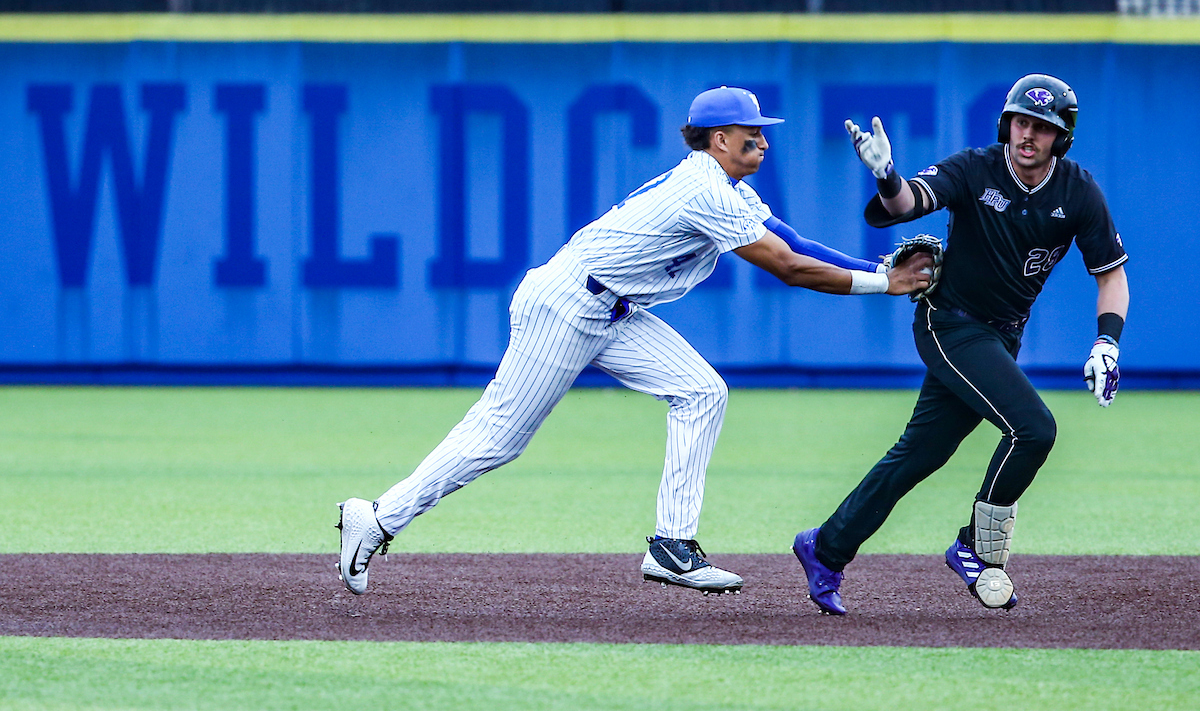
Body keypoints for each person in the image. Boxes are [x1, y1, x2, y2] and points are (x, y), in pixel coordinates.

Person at [337, 86, 933, 597]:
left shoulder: (728, 187)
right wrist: (886, 284)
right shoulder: (704, 189)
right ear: (718, 139)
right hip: (567, 304)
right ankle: (379, 518)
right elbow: (789, 269)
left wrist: (879, 267)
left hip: (614, 308)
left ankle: (672, 545)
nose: (764, 142)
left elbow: (796, 242)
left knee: (702, 392)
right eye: (752, 133)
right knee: (497, 439)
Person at [793, 74, 1130, 614]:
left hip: (1001, 337)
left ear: (1061, 136)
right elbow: (907, 203)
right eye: (1022, 121)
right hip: (949, 324)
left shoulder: (1078, 191)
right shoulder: (975, 168)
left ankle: (825, 548)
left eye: (1042, 127)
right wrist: (885, 174)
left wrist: (1107, 343)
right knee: (1035, 428)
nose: (1029, 135)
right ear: (1006, 124)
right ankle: (974, 545)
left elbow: (1110, 274)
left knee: (919, 454)